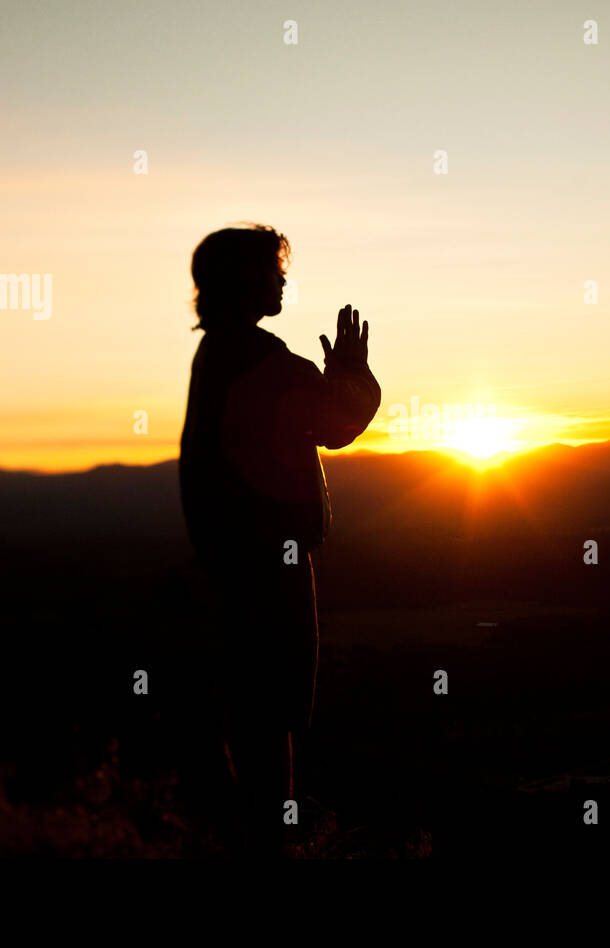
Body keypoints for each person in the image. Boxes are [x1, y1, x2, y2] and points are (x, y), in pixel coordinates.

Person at [178, 224, 380, 856]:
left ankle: (259, 834)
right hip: (267, 569)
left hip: (231, 564)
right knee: (272, 714)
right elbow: (337, 420)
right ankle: (273, 843)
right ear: (247, 280)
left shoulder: (217, 354)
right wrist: (353, 372)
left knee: (252, 711)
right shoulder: (258, 358)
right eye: (275, 270)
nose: (284, 280)